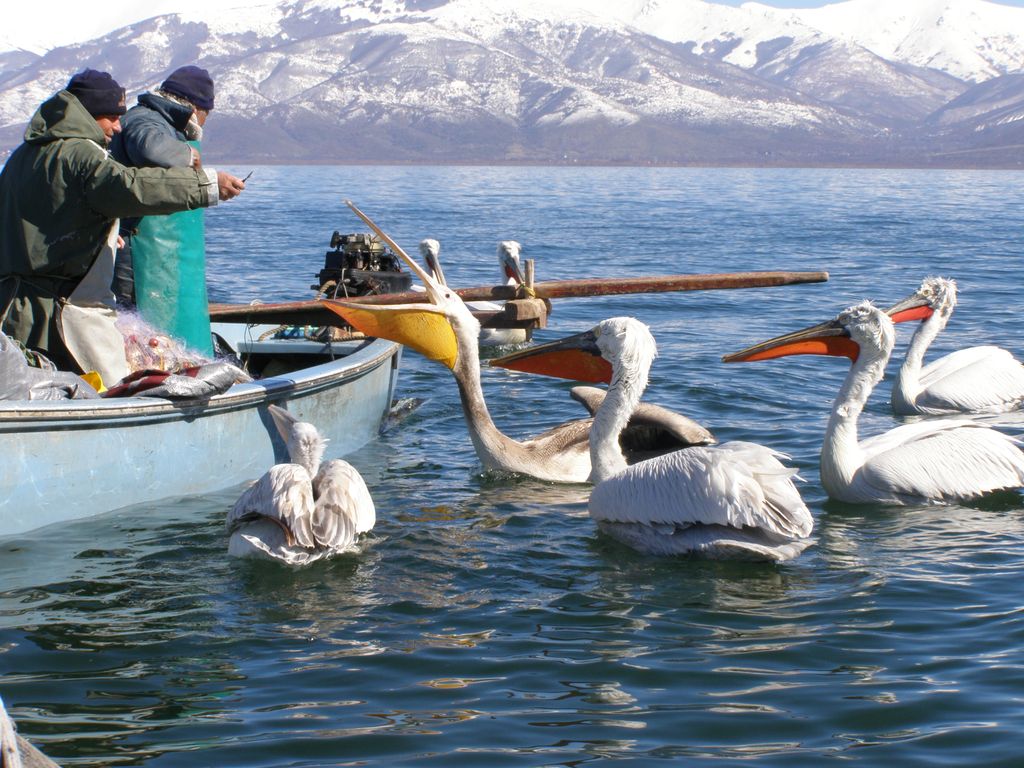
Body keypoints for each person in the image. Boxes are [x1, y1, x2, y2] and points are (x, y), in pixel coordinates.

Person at [0, 69, 245, 379]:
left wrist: (100, 234)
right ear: (88, 114)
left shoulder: (24, 155)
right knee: (108, 389)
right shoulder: (82, 155)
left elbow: (44, 220)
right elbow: (131, 186)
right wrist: (207, 185)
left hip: (11, 309)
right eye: (111, 117)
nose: (118, 127)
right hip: (64, 315)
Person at [109, 65, 217, 307]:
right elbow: (150, 148)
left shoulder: (152, 118)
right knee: (131, 321)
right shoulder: (146, 120)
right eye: (206, 114)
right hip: (131, 250)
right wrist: (187, 154)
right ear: (195, 108)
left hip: (131, 245)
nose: (204, 123)